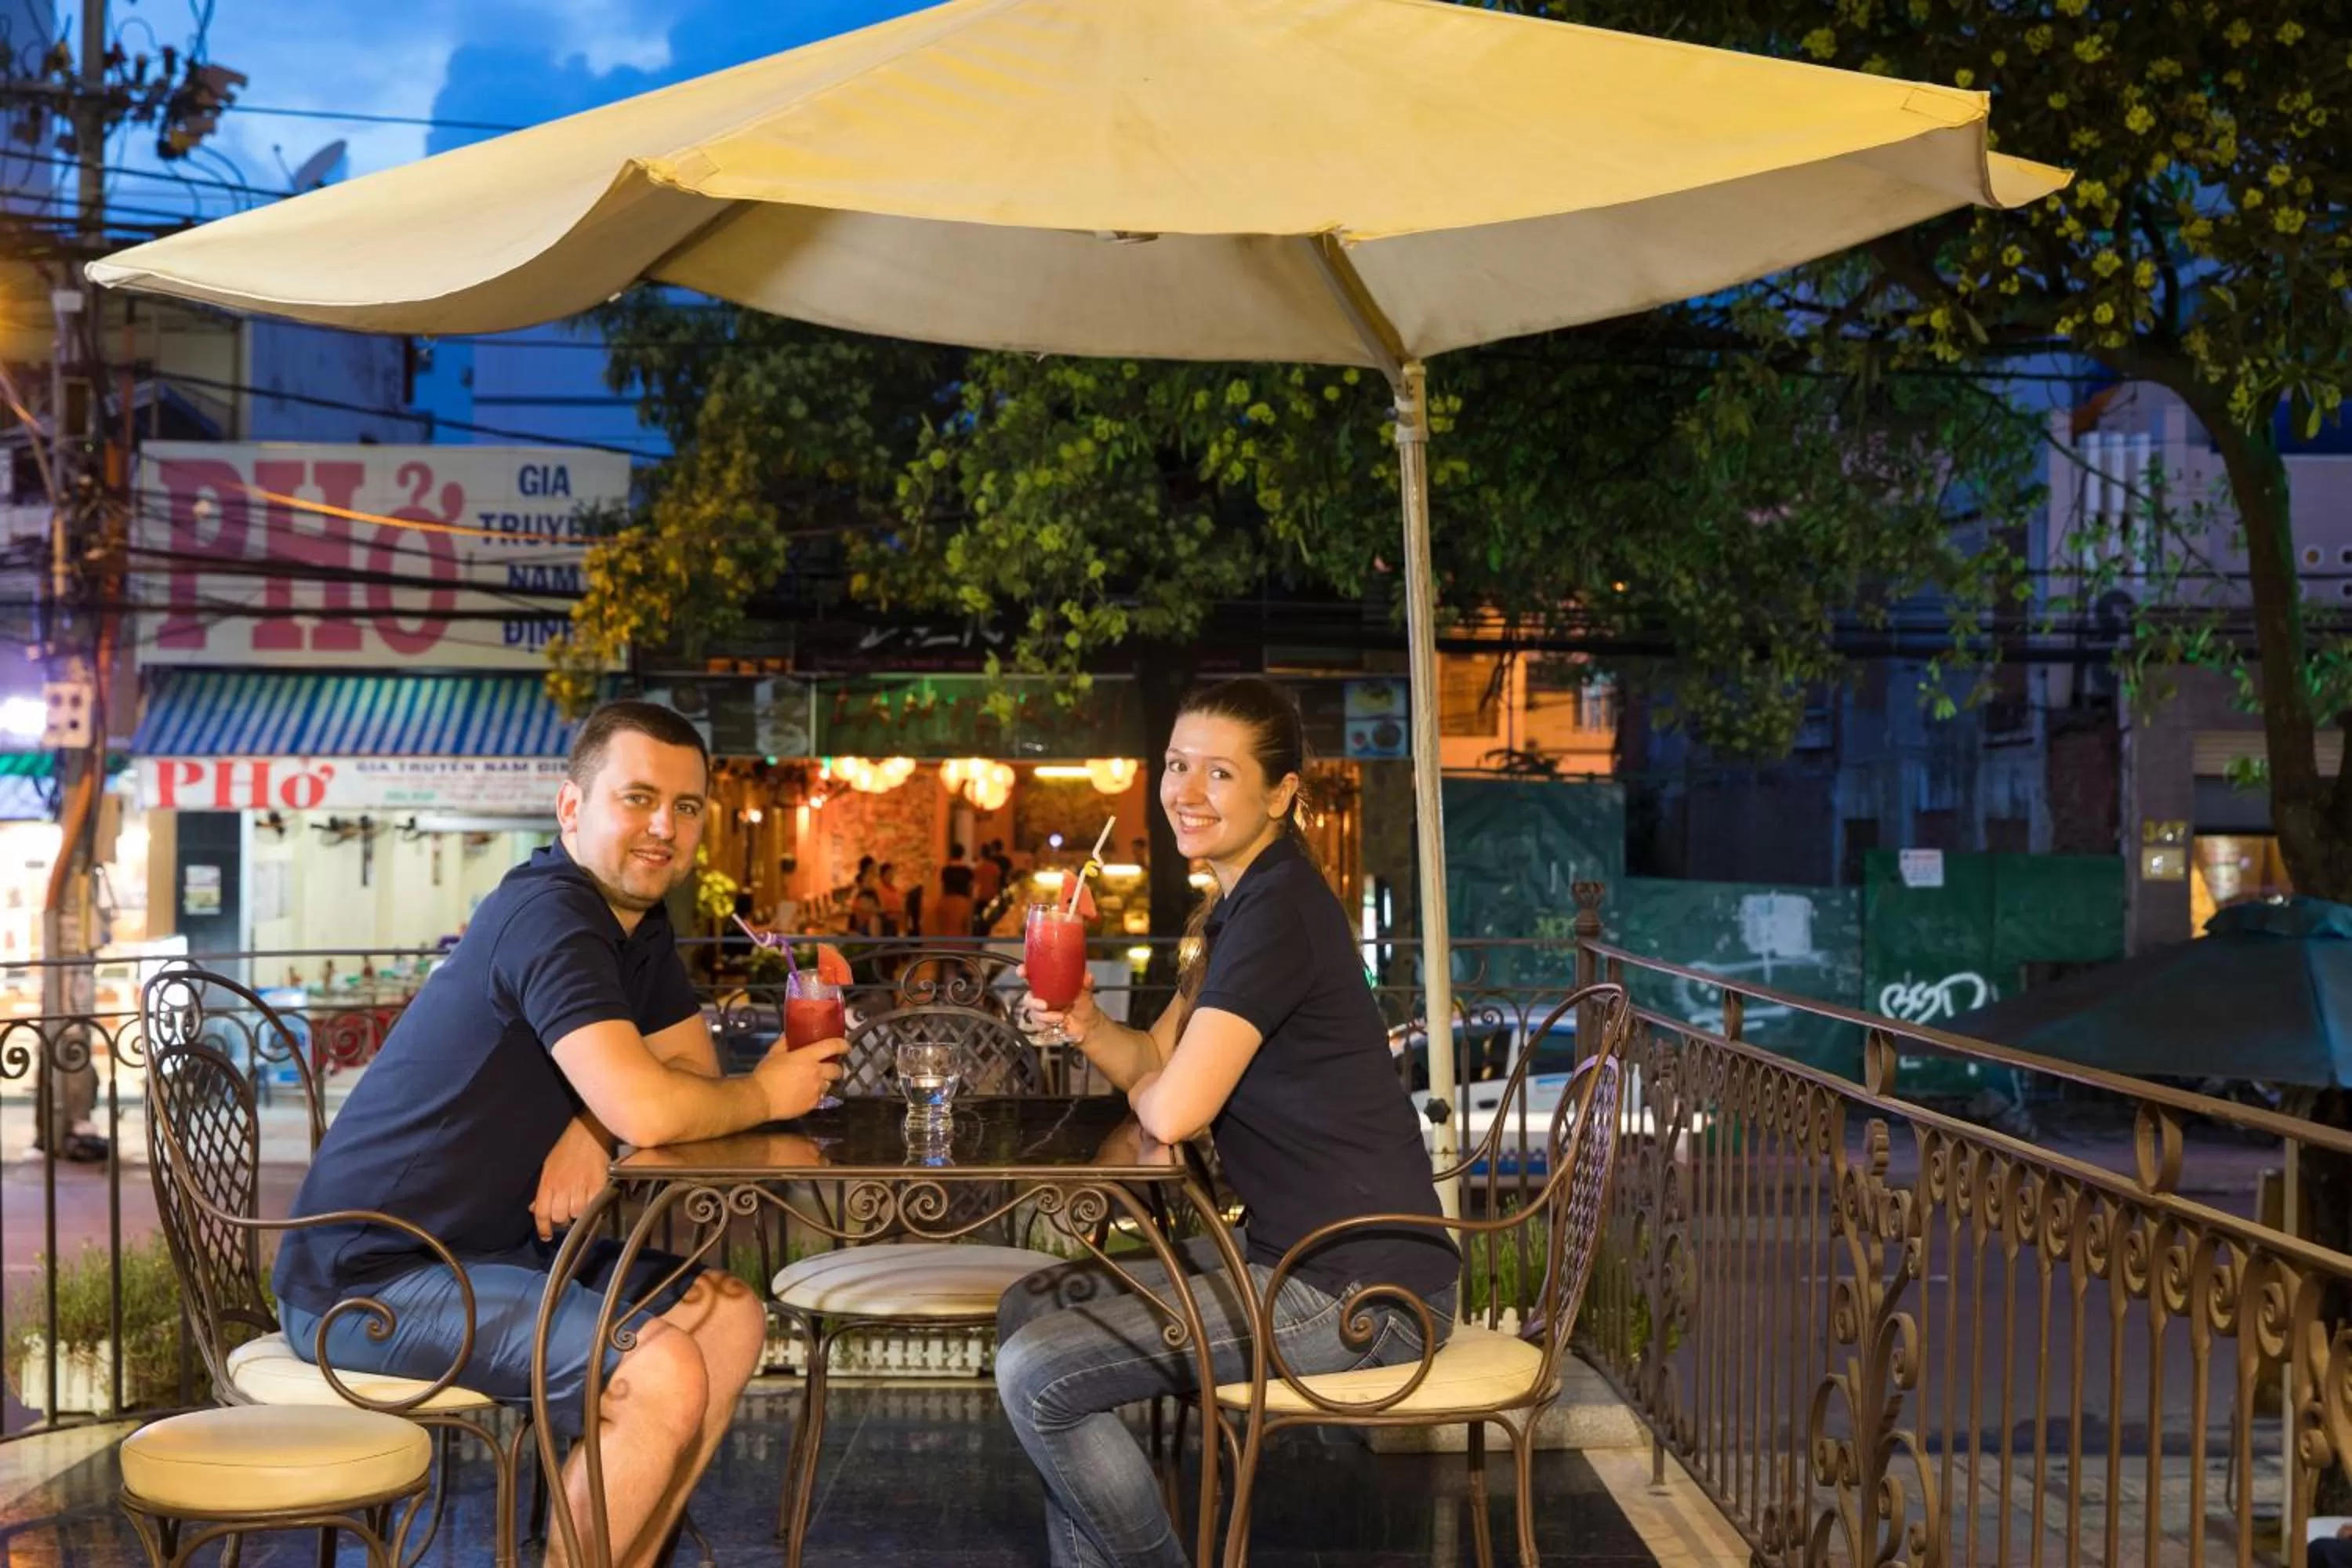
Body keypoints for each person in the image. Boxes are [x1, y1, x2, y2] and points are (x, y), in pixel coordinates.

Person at [271, 701, 848, 1568]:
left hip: (486, 1251)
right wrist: (760, 1091)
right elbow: (656, 1109)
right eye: (639, 797)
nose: (665, 827)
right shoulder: (552, 916)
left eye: (686, 807)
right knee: (662, 1370)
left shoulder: (636, 925)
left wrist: (591, 1119)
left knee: (729, 1317)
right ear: (571, 808)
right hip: (371, 1275)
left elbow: (677, 1076)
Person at [995, 677, 1457, 1568]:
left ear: (1281, 793)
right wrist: (1087, 1020)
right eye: (1176, 765)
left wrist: (1158, 1093)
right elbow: (1153, 1065)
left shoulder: (1277, 910)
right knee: (1030, 1306)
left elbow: (1172, 1106)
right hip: (1292, 1258)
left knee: (1038, 1373)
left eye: (1218, 772)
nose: (1187, 790)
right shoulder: (1240, 906)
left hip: (1367, 1293)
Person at [935, 843, 977, 939]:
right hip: (963, 903)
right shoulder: (967, 871)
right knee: (962, 933)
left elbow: (943, 888)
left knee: (945, 931)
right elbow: (971, 889)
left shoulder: (946, 870)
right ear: (963, 854)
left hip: (947, 901)